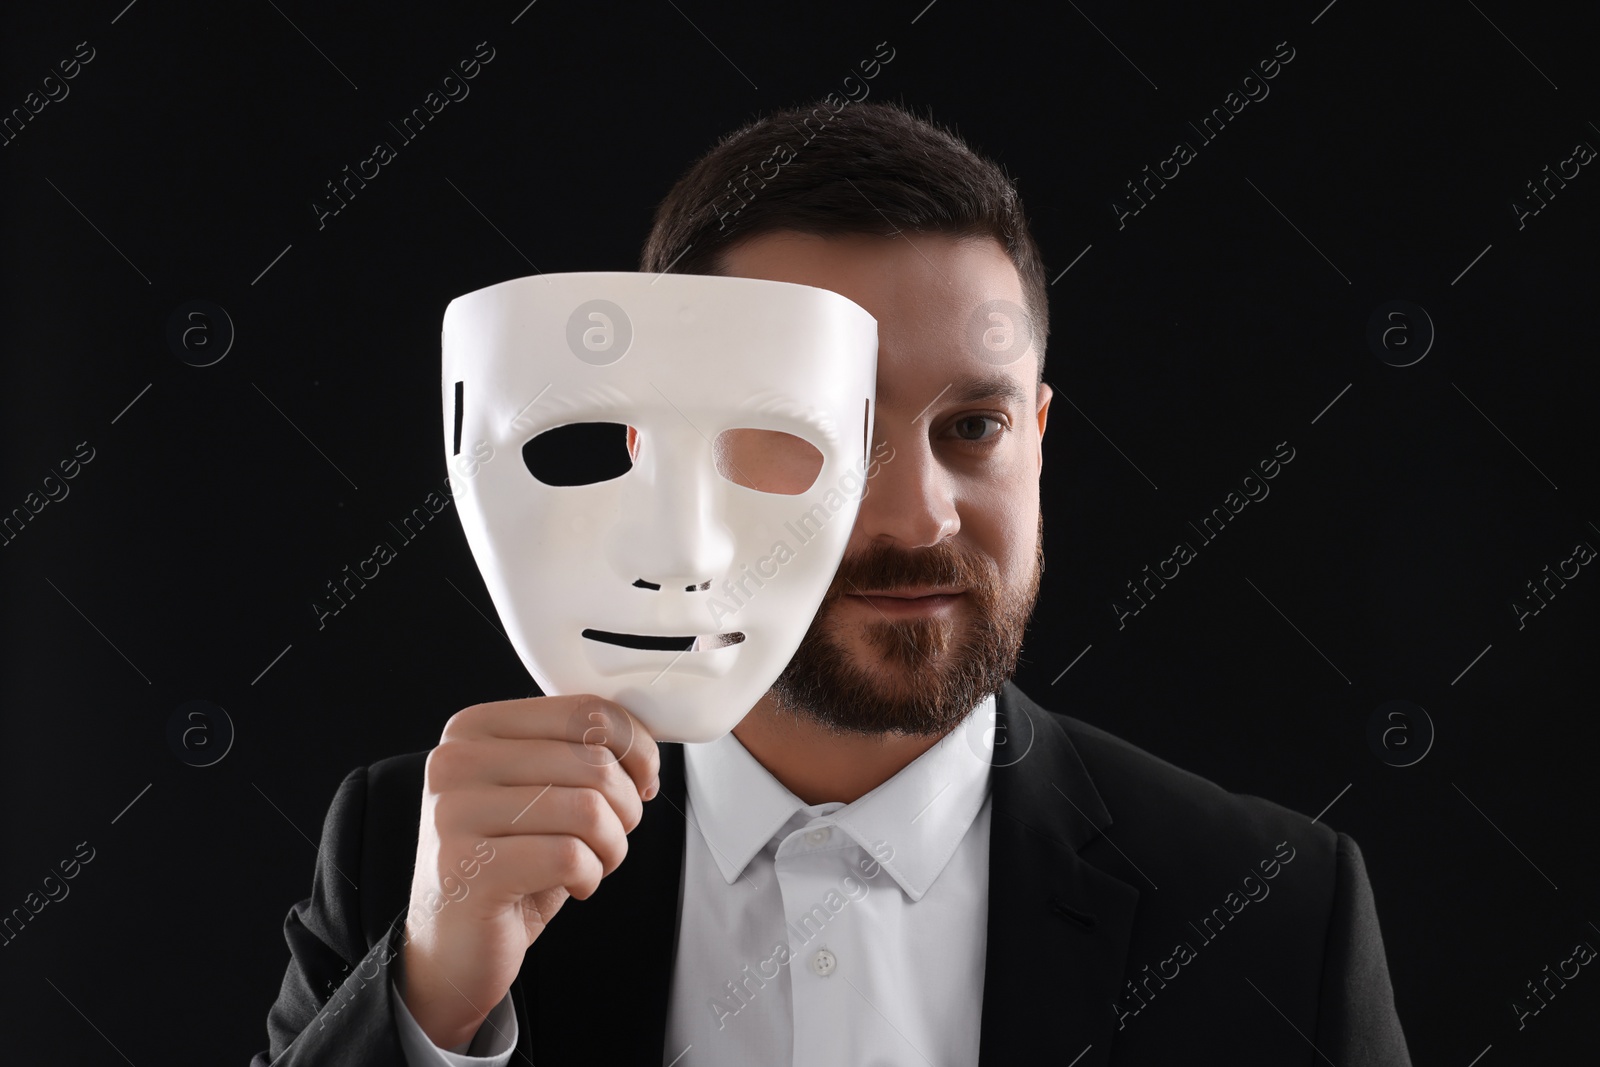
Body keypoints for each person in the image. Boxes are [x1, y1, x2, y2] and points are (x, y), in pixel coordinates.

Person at [252, 99, 1412, 1065]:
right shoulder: (416, 860)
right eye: (819, 434)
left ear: (1039, 438)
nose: (917, 515)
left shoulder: (1269, 912)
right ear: (646, 449)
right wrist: (428, 1010)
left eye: (971, 425)